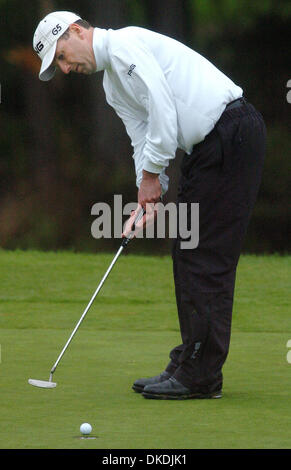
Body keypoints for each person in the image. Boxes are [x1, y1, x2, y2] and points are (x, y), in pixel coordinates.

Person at [33, 11, 266, 399]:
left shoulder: (124, 46)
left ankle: (201, 375)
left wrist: (154, 177)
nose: (65, 68)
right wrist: (147, 194)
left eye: (61, 56)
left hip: (231, 134)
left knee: (202, 256)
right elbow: (141, 137)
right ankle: (191, 362)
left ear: (75, 31)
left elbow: (163, 109)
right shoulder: (112, 84)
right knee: (187, 251)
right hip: (208, 147)